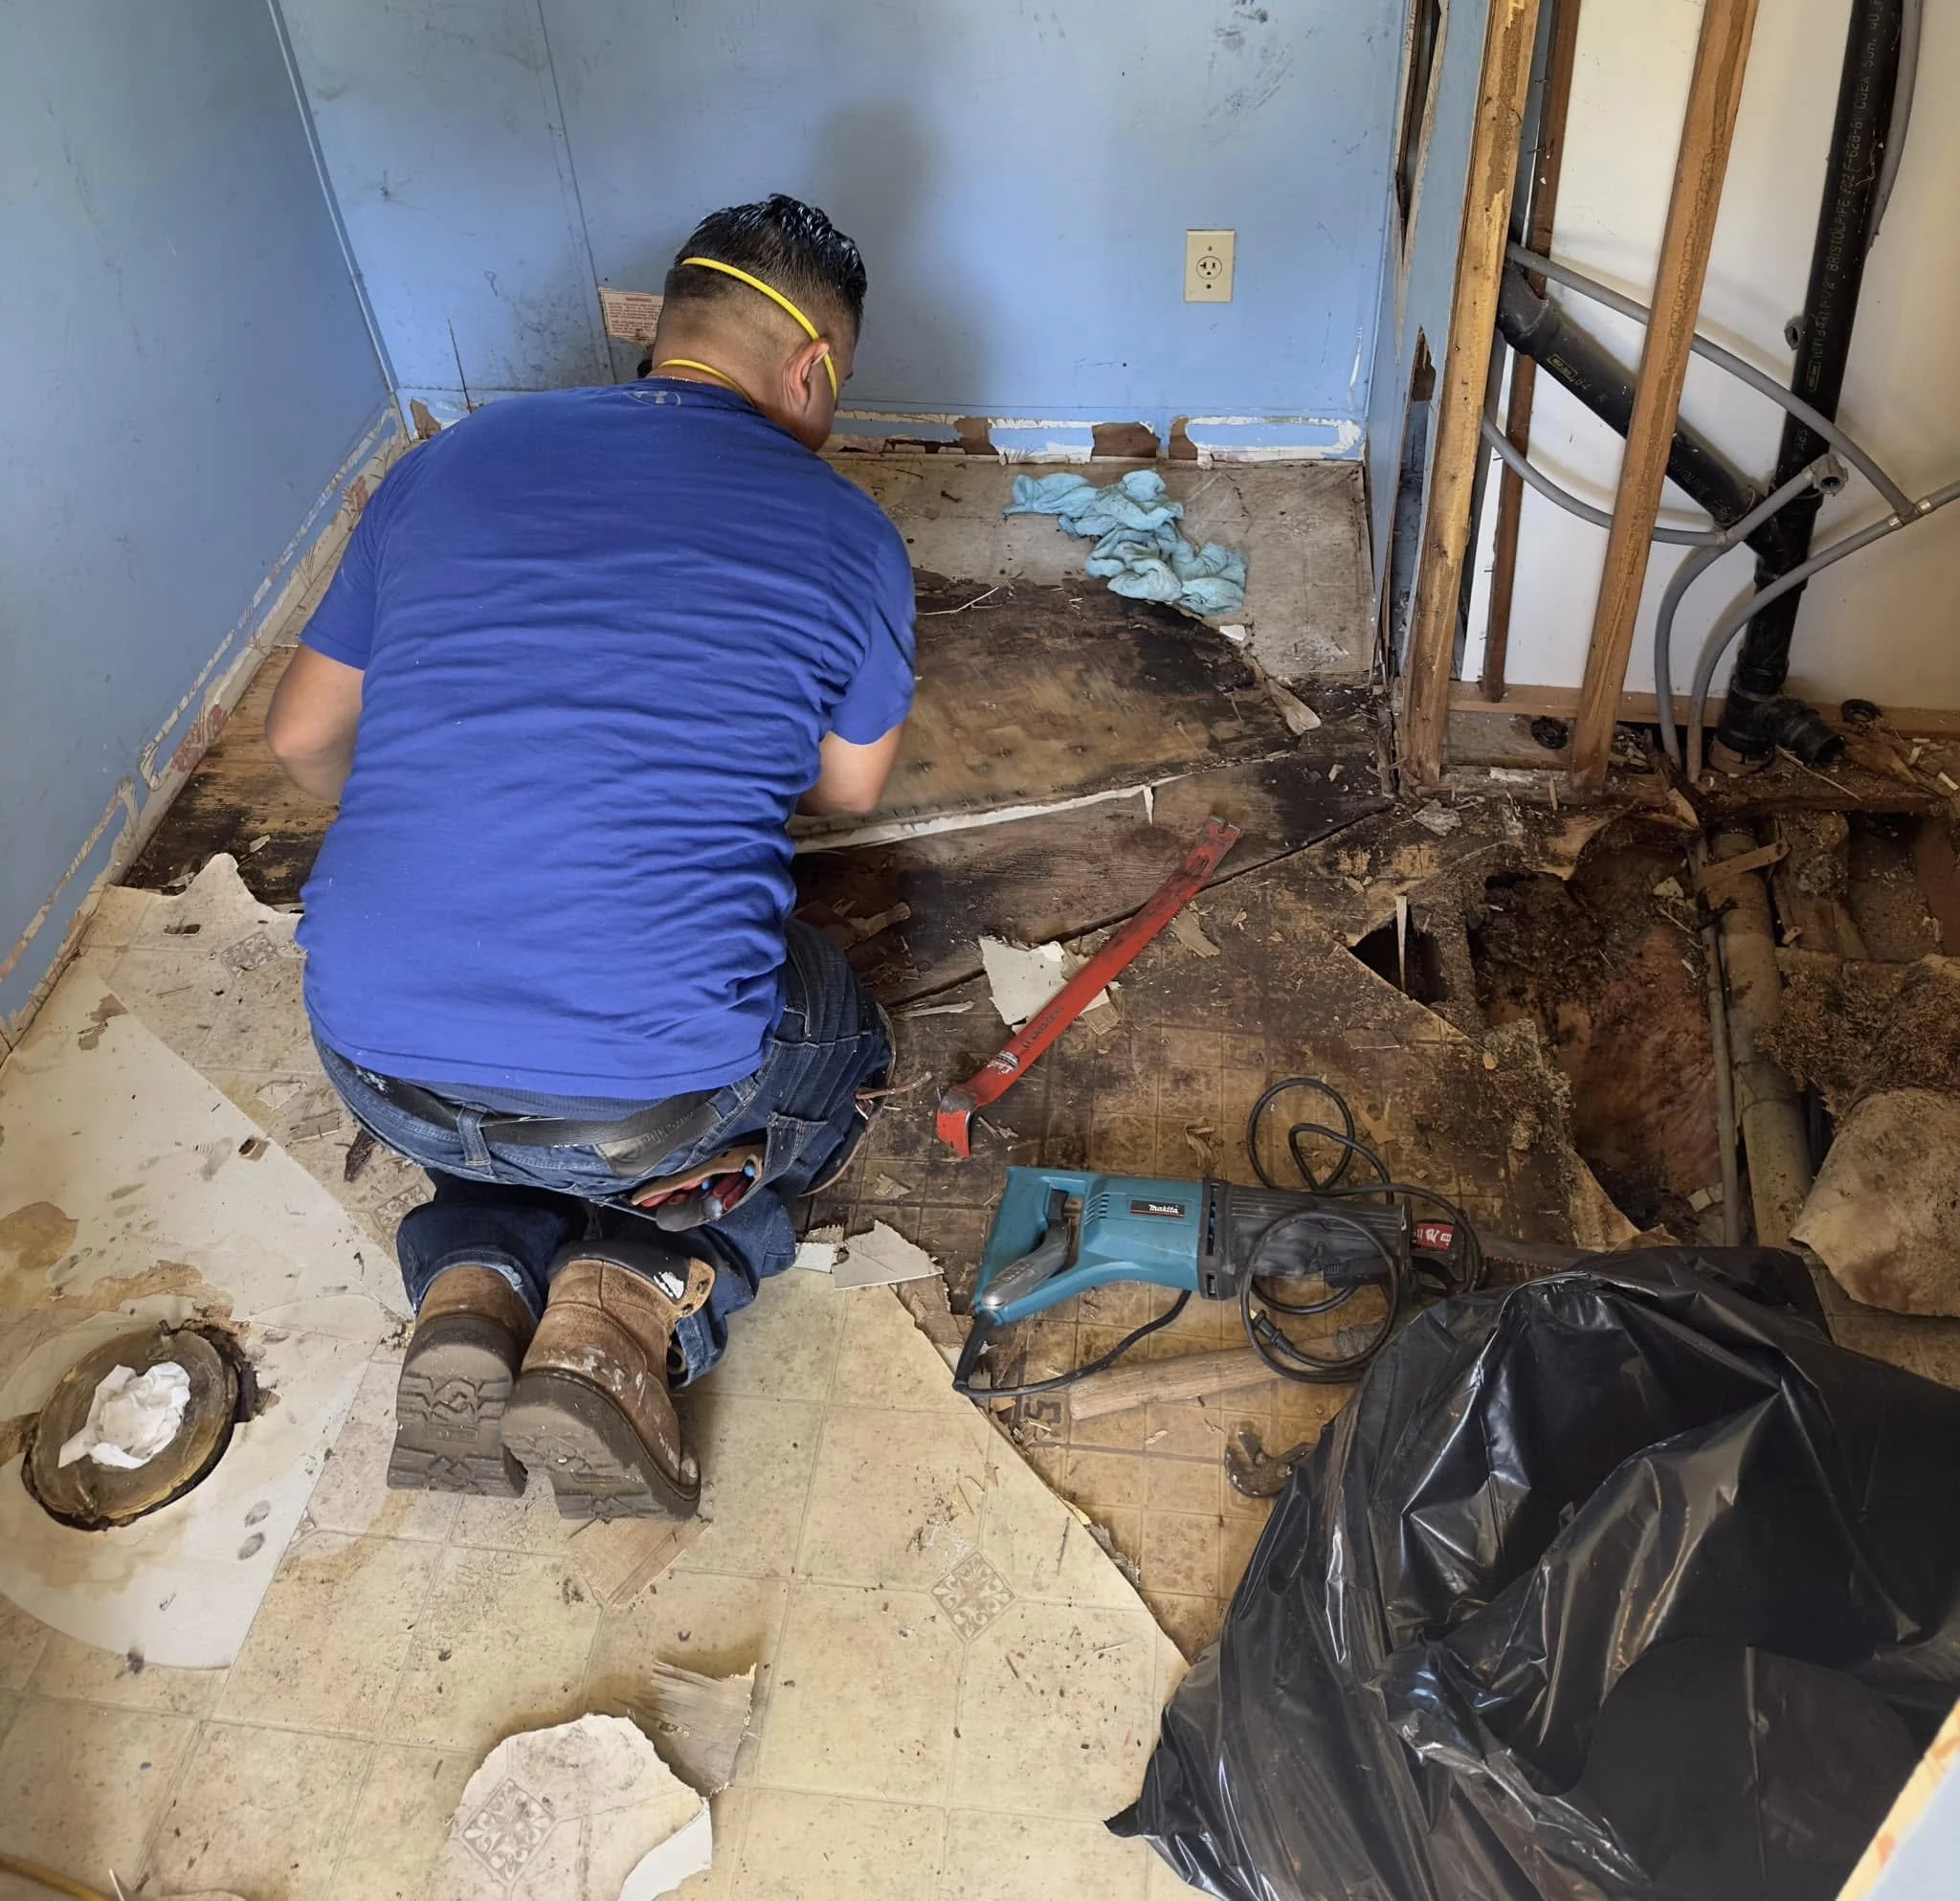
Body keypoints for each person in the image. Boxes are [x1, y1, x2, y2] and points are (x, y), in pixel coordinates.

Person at [265, 195, 913, 1522]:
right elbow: (847, 789)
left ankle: (475, 1274)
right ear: (813, 370)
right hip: (653, 1108)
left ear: (666, 333)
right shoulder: (848, 532)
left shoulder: (452, 459)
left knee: (498, 1065)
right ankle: (630, 1304)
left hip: (372, 1057)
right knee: (845, 1047)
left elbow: (297, 739)